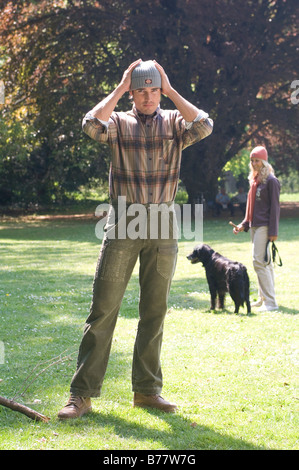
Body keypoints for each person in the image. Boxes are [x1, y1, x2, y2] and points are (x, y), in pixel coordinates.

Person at [58, 59, 213, 419]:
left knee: (154, 312)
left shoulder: (175, 122)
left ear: (160, 91)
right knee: (103, 311)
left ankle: (147, 391)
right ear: (132, 92)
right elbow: (90, 124)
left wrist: (172, 90)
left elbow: (205, 125)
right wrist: (119, 85)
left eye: (153, 90)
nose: (147, 96)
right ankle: (81, 394)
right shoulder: (118, 123)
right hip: (124, 223)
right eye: (141, 90)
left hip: (162, 225)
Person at [232, 146, 280, 312]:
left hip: (265, 226)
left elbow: (275, 208)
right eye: (252, 160)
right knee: (265, 263)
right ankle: (264, 299)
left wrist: (273, 232)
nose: (254, 163)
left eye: (257, 160)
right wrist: (243, 225)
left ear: (264, 161)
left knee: (258, 261)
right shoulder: (254, 181)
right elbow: (250, 208)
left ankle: (271, 303)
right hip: (254, 226)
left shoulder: (271, 181)